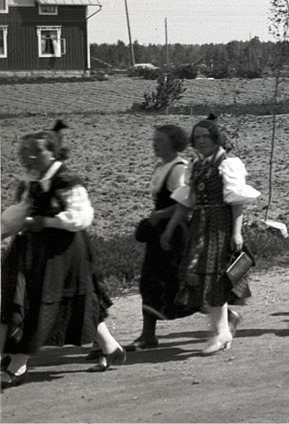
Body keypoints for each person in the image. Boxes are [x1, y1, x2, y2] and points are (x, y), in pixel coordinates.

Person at [1, 127, 126, 388]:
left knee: (39, 303)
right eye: (27, 151)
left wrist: (44, 221)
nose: (31, 157)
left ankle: (18, 365)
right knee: (73, 300)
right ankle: (111, 347)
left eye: (38, 151)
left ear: (52, 152)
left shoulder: (67, 180)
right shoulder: (35, 180)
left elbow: (81, 217)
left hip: (66, 251)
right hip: (44, 252)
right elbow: (20, 212)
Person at [162, 115, 259, 354]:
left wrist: (237, 234)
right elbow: (187, 201)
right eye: (197, 138)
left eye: (205, 136)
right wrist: (170, 228)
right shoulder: (196, 166)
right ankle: (224, 328)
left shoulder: (228, 164)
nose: (201, 141)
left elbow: (237, 201)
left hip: (220, 225)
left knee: (215, 278)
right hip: (200, 227)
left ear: (216, 139)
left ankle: (221, 332)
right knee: (198, 277)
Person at [129, 125, 196, 350]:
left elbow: (184, 203)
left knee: (174, 281)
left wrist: (160, 215)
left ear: (173, 143)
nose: (154, 143)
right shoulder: (162, 166)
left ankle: (225, 315)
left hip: (174, 232)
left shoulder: (179, 169)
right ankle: (148, 335)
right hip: (159, 230)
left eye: (160, 140)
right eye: (154, 139)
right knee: (150, 280)